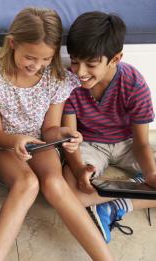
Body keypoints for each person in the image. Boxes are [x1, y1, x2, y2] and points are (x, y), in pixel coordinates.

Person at [0, 7, 113, 260]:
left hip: (39, 144)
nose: (37, 65)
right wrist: (16, 140)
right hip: (4, 146)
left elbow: (50, 130)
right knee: (27, 183)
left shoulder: (55, 78)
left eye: (45, 59)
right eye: (30, 57)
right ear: (12, 44)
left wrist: (66, 133)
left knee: (55, 184)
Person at [63, 11, 156, 243]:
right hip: (89, 144)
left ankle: (116, 206)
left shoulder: (134, 84)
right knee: (70, 192)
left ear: (115, 59)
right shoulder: (68, 83)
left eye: (91, 64)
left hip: (128, 144)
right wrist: (79, 170)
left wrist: (151, 174)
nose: (80, 72)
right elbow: (70, 138)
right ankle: (125, 193)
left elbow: (142, 142)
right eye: (75, 61)